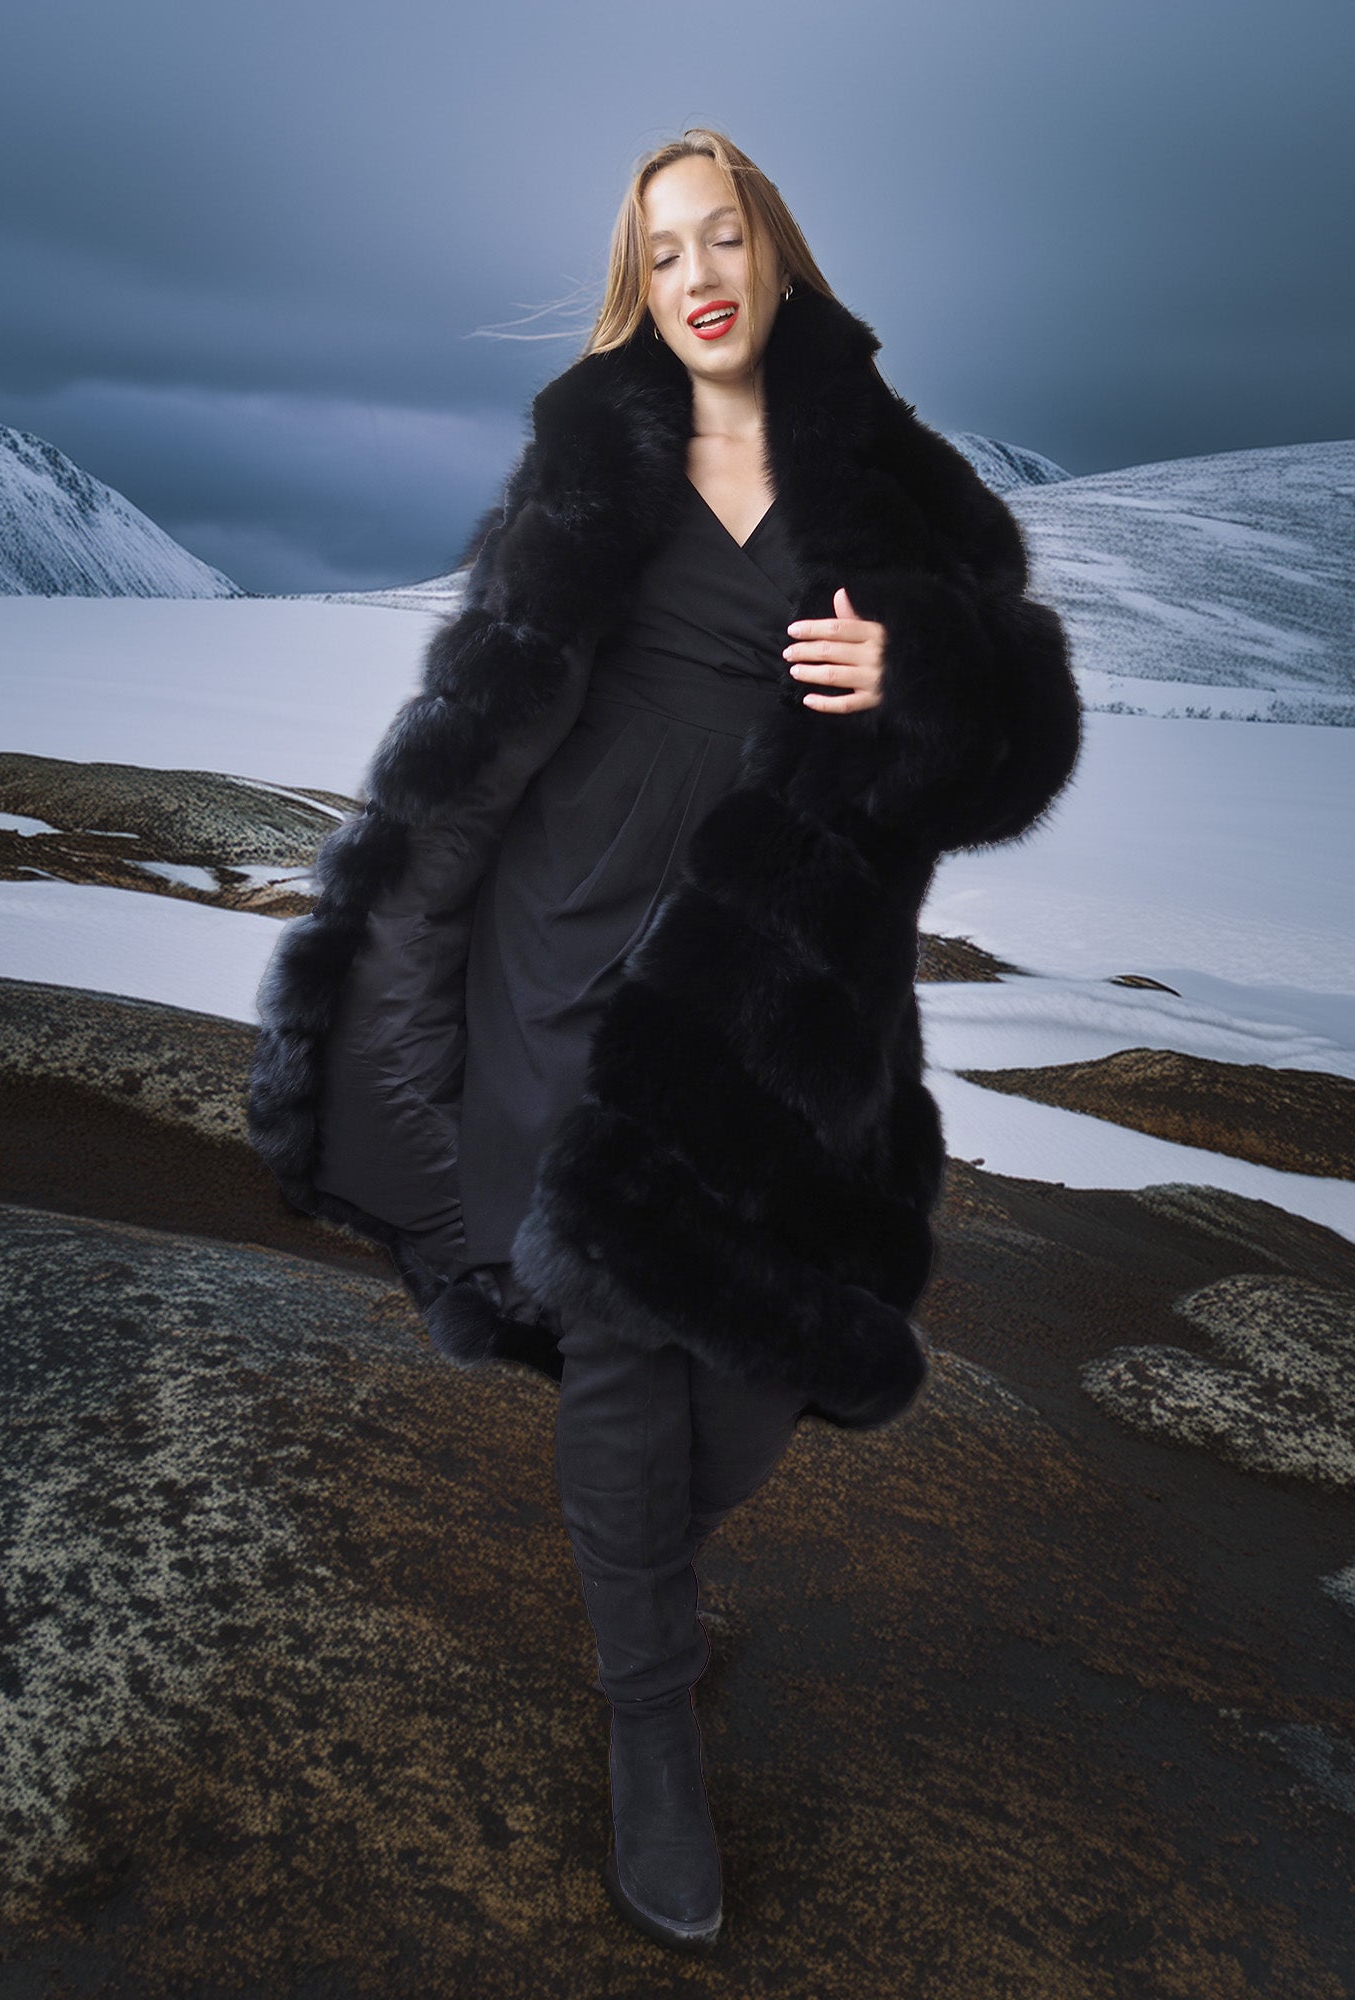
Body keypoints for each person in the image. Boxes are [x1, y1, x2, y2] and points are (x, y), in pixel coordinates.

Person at [248, 128, 1082, 1955]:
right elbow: (479, 710)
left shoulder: (903, 487)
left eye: (726, 235)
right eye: (665, 247)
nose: (701, 271)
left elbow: (1022, 746)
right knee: (621, 1327)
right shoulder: (592, 457)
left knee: (752, 1376)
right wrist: (386, 953)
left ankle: (659, 1588)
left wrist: (930, 674)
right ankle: (652, 1733)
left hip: (779, 1005)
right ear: (640, 279)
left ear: (774, 254)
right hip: (567, 954)